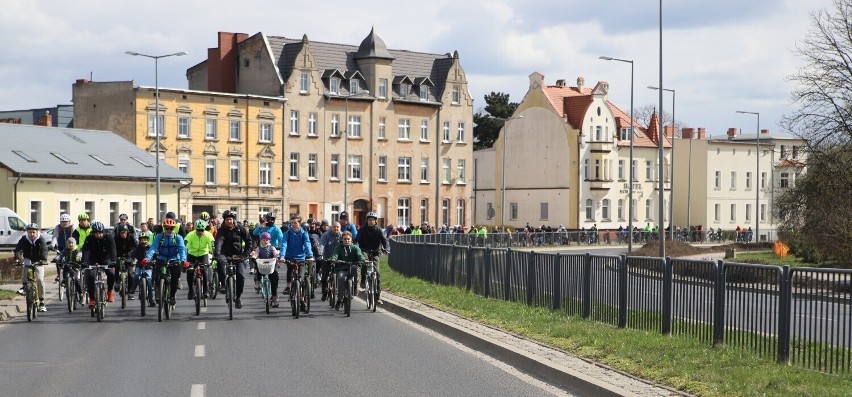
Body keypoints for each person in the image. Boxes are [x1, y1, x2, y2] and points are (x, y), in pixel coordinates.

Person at [142, 218, 187, 306]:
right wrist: (147, 258)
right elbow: (153, 247)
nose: (169, 230)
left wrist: (183, 260)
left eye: (171, 228)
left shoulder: (178, 237)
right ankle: (158, 294)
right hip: (161, 258)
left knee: (174, 278)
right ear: (164, 228)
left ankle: (172, 296)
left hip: (174, 259)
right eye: (167, 228)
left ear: (174, 229)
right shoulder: (160, 236)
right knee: (157, 276)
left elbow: (182, 249)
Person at [214, 210, 251, 309]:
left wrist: (245, 254)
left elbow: (248, 241)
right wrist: (217, 254)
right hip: (225, 254)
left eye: (230, 219)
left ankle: (238, 298)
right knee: (220, 263)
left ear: (233, 219)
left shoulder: (240, 228)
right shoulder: (221, 230)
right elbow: (218, 242)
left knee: (241, 275)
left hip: (238, 255)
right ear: (224, 220)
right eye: (227, 219)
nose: (229, 221)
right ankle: (222, 284)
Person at [353, 212, 389, 303]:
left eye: (373, 220)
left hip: (375, 252)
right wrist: (353, 246)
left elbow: (384, 241)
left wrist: (387, 248)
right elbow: (357, 239)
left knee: (377, 272)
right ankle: (363, 280)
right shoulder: (362, 229)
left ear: (375, 221)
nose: (371, 221)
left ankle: (378, 296)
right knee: (365, 262)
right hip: (364, 250)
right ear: (367, 220)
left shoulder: (378, 230)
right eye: (369, 220)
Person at [14, 223, 49, 312]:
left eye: (33, 232)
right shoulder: (24, 239)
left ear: (37, 232)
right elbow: (18, 249)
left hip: (38, 260)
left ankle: (42, 301)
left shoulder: (40, 239)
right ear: (27, 232)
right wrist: (18, 258)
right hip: (28, 259)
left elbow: (44, 249)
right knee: (25, 272)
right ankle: (24, 287)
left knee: (40, 280)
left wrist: (43, 259)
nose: (32, 234)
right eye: (30, 232)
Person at [81, 221, 117, 308]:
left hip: (105, 258)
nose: (99, 235)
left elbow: (113, 250)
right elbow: (86, 251)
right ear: (93, 233)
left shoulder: (109, 237)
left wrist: (113, 261)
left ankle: (109, 291)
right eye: (96, 233)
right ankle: (92, 299)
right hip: (92, 259)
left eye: (100, 232)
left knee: (111, 273)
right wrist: (84, 262)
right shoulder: (89, 238)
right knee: (89, 275)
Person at [279, 215, 315, 301]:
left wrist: (310, 255)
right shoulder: (287, 233)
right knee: (290, 270)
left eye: (295, 223)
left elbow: (307, 244)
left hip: (301, 258)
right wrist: (282, 256)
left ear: (299, 223)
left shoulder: (304, 234)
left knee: (301, 277)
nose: (293, 224)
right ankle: (288, 287)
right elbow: (284, 244)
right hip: (289, 256)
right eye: (292, 223)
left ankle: (302, 297)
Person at [328, 231, 365, 310]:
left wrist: (362, 259)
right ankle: (340, 299)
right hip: (341, 268)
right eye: (345, 239)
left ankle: (355, 286)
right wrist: (334, 259)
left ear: (351, 239)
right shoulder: (339, 247)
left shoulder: (355, 247)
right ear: (342, 239)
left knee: (355, 268)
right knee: (341, 277)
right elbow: (335, 254)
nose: (347, 240)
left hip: (352, 267)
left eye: (348, 239)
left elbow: (359, 255)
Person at [185, 219, 215, 300]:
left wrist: (214, 256)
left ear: (204, 229)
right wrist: (184, 258)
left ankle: (206, 290)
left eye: (202, 230)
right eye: (198, 230)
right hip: (192, 255)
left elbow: (212, 246)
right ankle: (191, 290)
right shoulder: (190, 235)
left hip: (203, 255)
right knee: (190, 272)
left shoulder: (208, 235)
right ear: (195, 229)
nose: (200, 232)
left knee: (205, 271)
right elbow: (184, 246)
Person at [250, 232, 281, 307]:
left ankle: (274, 297)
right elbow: (256, 254)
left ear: (269, 240)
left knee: (275, 277)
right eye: (263, 240)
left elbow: (275, 253)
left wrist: (278, 255)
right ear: (261, 240)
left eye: (267, 240)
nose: (265, 241)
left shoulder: (272, 248)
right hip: (262, 265)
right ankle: (257, 281)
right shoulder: (259, 248)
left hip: (271, 265)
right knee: (258, 270)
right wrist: (254, 257)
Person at [319, 221, 343, 301]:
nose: (336, 228)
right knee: (324, 277)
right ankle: (324, 292)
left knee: (341, 276)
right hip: (327, 258)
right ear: (331, 227)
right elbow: (322, 245)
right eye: (334, 226)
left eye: (338, 227)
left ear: (340, 228)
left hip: (338, 260)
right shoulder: (326, 235)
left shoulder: (342, 235)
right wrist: (321, 254)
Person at [131, 231, 156, 307]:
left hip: (149, 266)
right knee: (136, 275)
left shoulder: (151, 248)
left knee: (149, 282)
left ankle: (151, 299)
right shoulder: (137, 248)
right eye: (141, 240)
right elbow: (132, 255)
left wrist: (154, 261)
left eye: (145, 239)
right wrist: (130, 260)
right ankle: (134, 287)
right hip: (139, 265)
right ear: (139, 240)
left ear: (148, 240)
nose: (143, 241)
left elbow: (156, 255)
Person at [113, 223, 138, 296]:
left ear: (127, 232)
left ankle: (130, 291)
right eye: (122, 232)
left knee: (130, 274)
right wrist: (113, 258)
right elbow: (112, 248)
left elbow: (136, 247)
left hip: (129, 256)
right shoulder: (115, 238)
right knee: (116, 266)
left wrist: (133, 257)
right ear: (119, 233)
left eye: (125, 232)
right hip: (118, 255)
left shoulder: (131, 237)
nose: (124, 234)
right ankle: (117, 282)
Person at [51, 213, 75, 282]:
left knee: (71, 261)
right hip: (61, 247)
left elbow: (73, 237)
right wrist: (52, 245)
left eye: (66, 222)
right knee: (58, 260)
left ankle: (73, 273)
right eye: (62, 222)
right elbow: (55, 236)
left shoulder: (71, 227)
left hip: (70, 247)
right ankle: (59, 275)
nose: (64, 223)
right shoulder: (58, 227)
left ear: (69, 222)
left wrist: (72, 245)